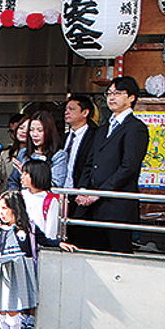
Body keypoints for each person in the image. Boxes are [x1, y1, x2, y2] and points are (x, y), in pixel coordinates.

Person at [0, 191, 75, 329]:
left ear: (15, 208)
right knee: (2, 309)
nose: (1, 212)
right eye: (0, 208)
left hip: (19, 272)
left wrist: (60, 243)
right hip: (4, 273)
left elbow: (45, 240)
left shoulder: (29, 228)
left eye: (5, 208)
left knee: (13, 309)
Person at [76, 76, 150, 254]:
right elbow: (90, 163)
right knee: (93, 253)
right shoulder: (103, 128)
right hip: (92, 206)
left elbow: (129, 167)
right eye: (109, 93)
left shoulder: (135, 128)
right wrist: (83, 190)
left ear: (131, 97)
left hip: (118, 206)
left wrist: (100, 193)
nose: (112, 97)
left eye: (118, 93)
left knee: (118, 255)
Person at [62, 94, 99, 246]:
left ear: (85, 113)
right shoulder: (63, 137)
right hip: (63, 195)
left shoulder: (96, 135)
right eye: (66, 109)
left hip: (83, 195)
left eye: (72, 109)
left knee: (81, 237)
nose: (67, 112)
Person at [7, 110, 67, 191]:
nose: (34, 134)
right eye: (31, 130)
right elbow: (13, 181)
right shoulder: (23, 153)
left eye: (40, 130)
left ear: (49, 131)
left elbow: (56, 184)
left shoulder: (58, 155)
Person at [20, 159, 61, 241]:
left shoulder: (50, 200)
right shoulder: (20, 195)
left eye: (25, 174)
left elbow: (51, 232)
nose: (22, 177)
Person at [0, 113, 27, 195]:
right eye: (20, 128)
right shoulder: (5, 155)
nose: (22, 132)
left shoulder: (38, 155)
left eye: (26, 128)